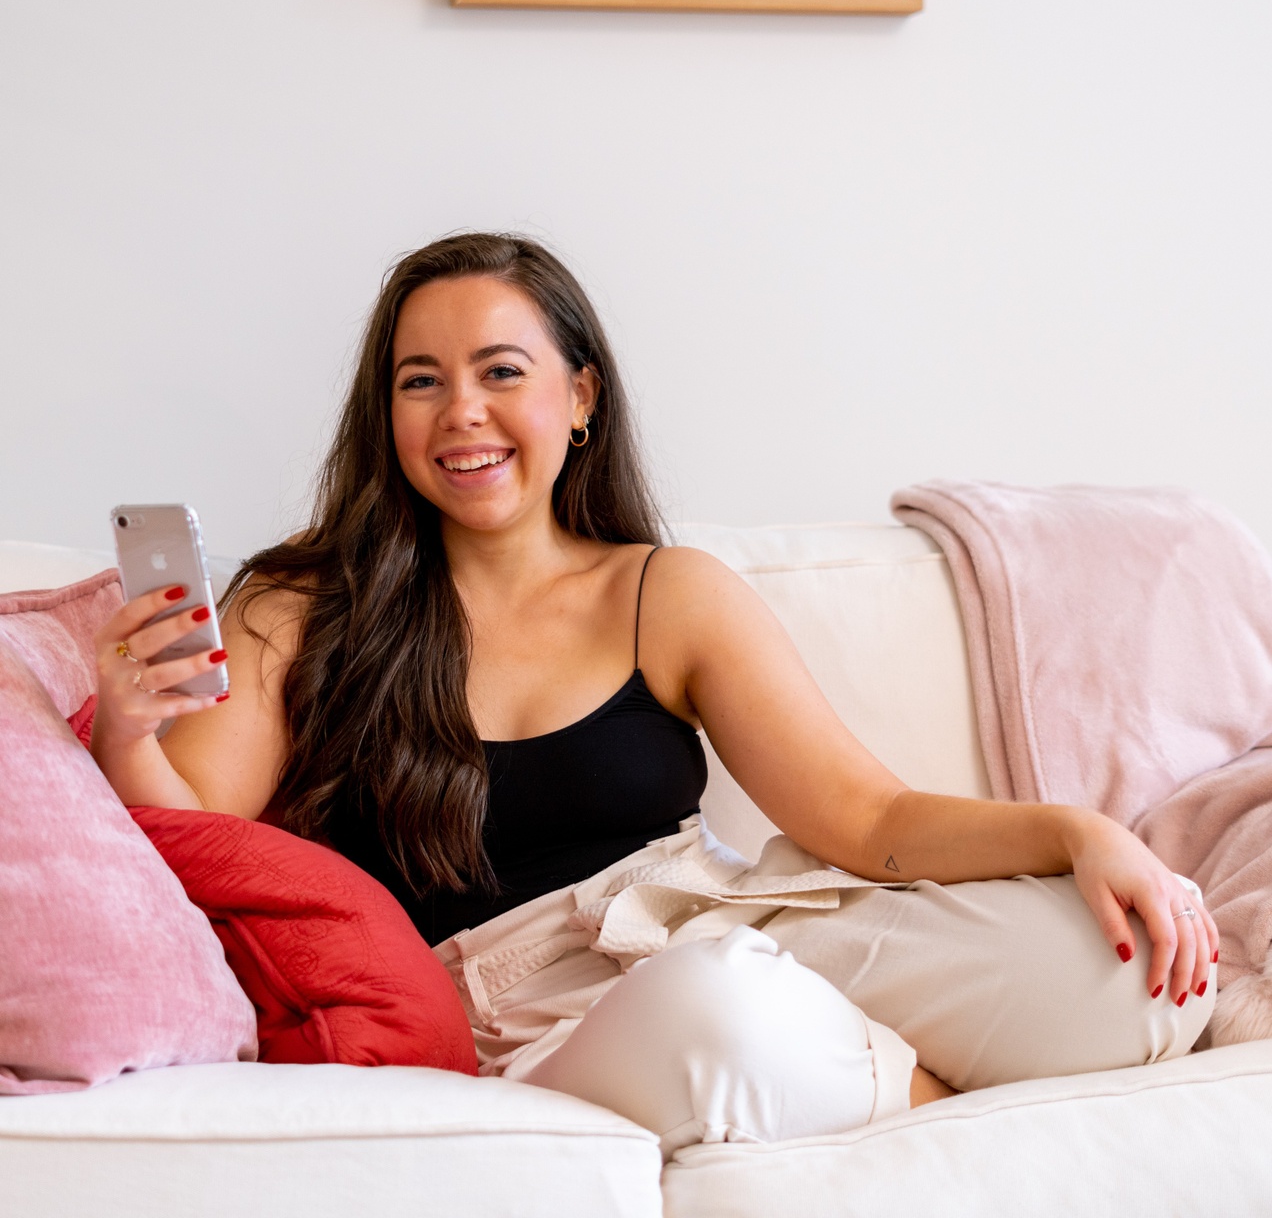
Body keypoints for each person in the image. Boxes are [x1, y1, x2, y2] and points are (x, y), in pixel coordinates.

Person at [90, 233, 1218, 1152]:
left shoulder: (665, 591)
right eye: (420, 381)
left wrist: (1077, 835)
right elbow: (203, 842)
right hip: (539, 1010)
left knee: (1126, 973)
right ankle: (912, 1099)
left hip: (716, 919)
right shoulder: (300, 605)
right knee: (721, 1013)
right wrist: (130, 727)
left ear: (579, 396)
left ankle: (820, 1073)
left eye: (501, 372)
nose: (461, 411)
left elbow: (868, 819)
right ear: (385, 417)